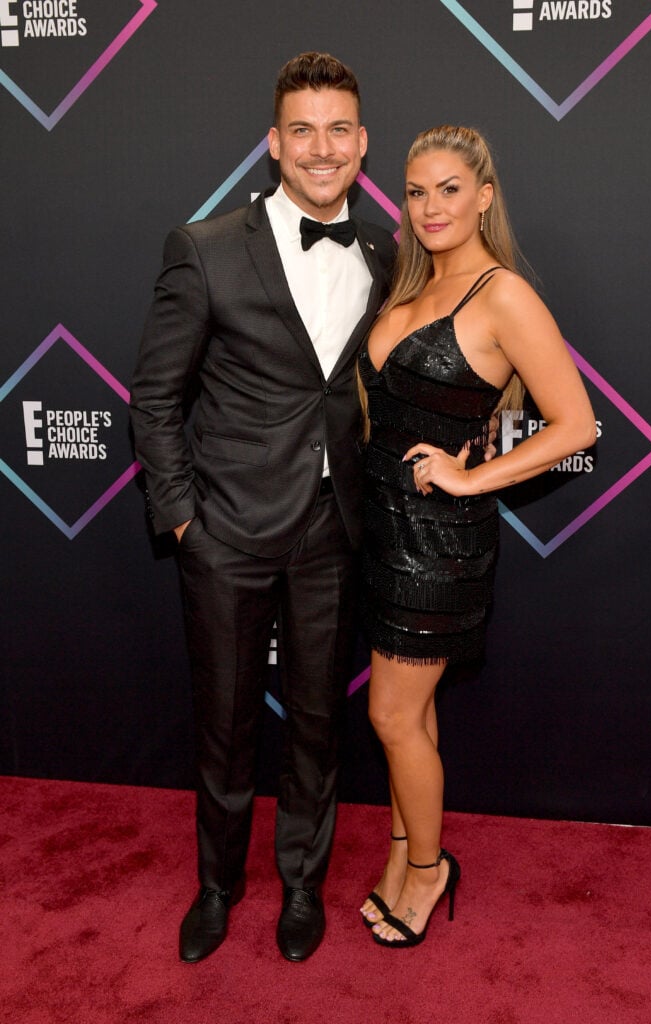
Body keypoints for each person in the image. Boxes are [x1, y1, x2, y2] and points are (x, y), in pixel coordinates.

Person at [129, 52, 397, 963]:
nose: (321, 149)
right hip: (227, 532)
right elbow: (155, 398)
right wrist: (182, 523)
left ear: (361, 144)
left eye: (338, 130)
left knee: (319, 727)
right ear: (274, 144)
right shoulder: (203, 248)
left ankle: (301, 889)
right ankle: (215, 886)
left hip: (332, 532)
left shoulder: (380, 252)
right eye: (302, 131)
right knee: (225, 725)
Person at [357, 125, 597, 947]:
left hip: (439, 542)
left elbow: (577, 425)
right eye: (416, 191)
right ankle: (401, 851)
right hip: (380, 529)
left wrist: (471, 476)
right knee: (409, 715)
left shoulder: (503, 296)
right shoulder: (405, 283)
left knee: (391, 715)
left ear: (484, 196)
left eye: (449, 188)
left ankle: (428, 871)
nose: (430, 206)